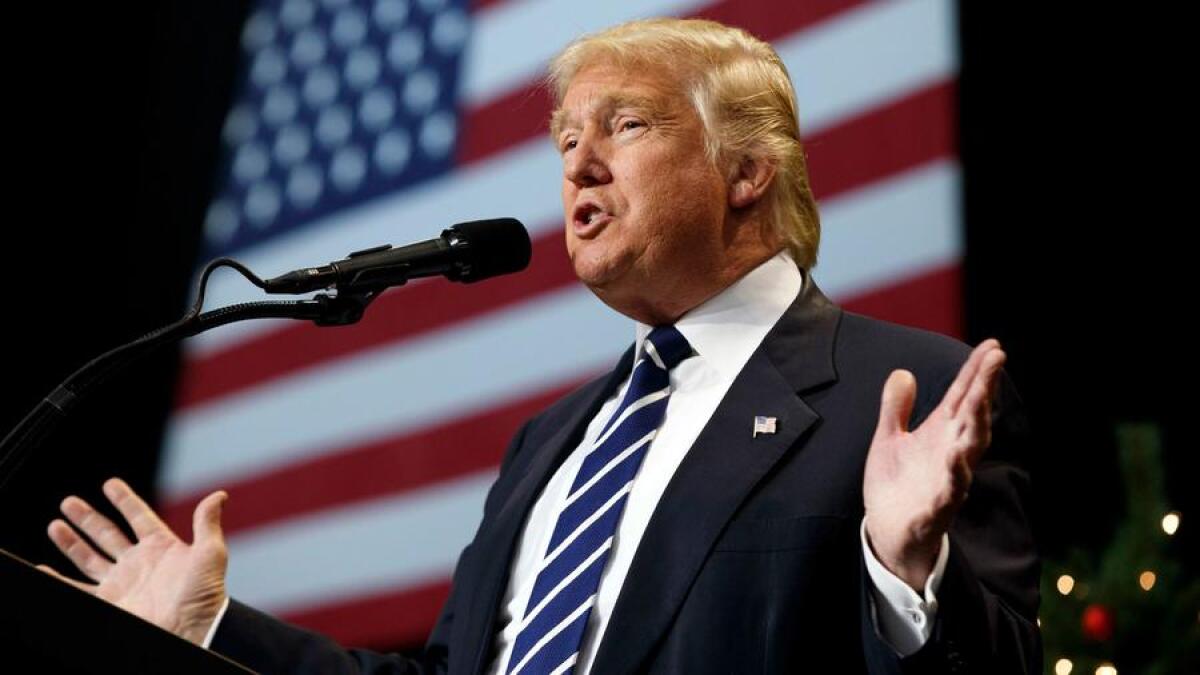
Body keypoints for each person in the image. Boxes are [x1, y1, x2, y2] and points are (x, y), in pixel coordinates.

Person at [39, 17, 1041, 674]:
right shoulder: (553, 443)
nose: (579, 166)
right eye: (566, 142)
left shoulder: (907, 393)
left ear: (744, 171)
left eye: (626, 125)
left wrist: (910, 577)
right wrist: (213, 627)